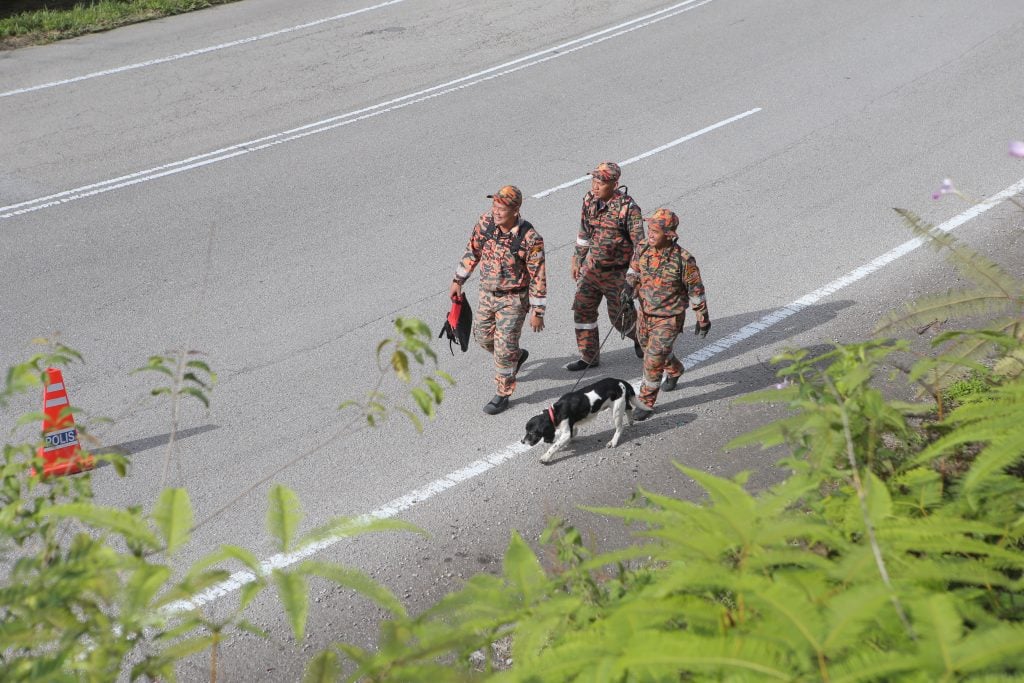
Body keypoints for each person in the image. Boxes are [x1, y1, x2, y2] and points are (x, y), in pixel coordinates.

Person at [450, 185, 547, 415]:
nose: (496, 211)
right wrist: (458, 280)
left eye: (501, 207)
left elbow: (538, 276)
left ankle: (503, 393)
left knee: (503, 349)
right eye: (494, 205)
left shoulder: (530, 239)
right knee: (482, 338)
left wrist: (538, 311)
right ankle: (516, 355)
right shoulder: (485, 223)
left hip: (513, 300)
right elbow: (472, 250)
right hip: (487, 293)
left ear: (516, 210)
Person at [624, 208, 710, 420]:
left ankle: (645, 403)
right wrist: (628, 289)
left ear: (670, 235)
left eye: (656, 231)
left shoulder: (684, 260)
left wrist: (702, 318)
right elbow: (633, 271)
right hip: (645, 313)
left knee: (652, 360)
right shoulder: (643, 247)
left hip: (669, 318)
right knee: (647, 348)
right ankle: (674, 369)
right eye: (649, 229)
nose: (650, 234)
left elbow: (696, 291)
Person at [567, 161, 645, 371]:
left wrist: (633, 277)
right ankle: (588, 356)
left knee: (620, 320)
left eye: (601, 181)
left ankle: (641, 338)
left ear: (615, 183)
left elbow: (640, 247)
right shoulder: (589, 200)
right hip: (592, 269)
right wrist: (578, 258)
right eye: (594, 180)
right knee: (582, 310)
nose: (595, 185)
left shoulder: (628, 209)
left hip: (617, 273)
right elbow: (584, 232)